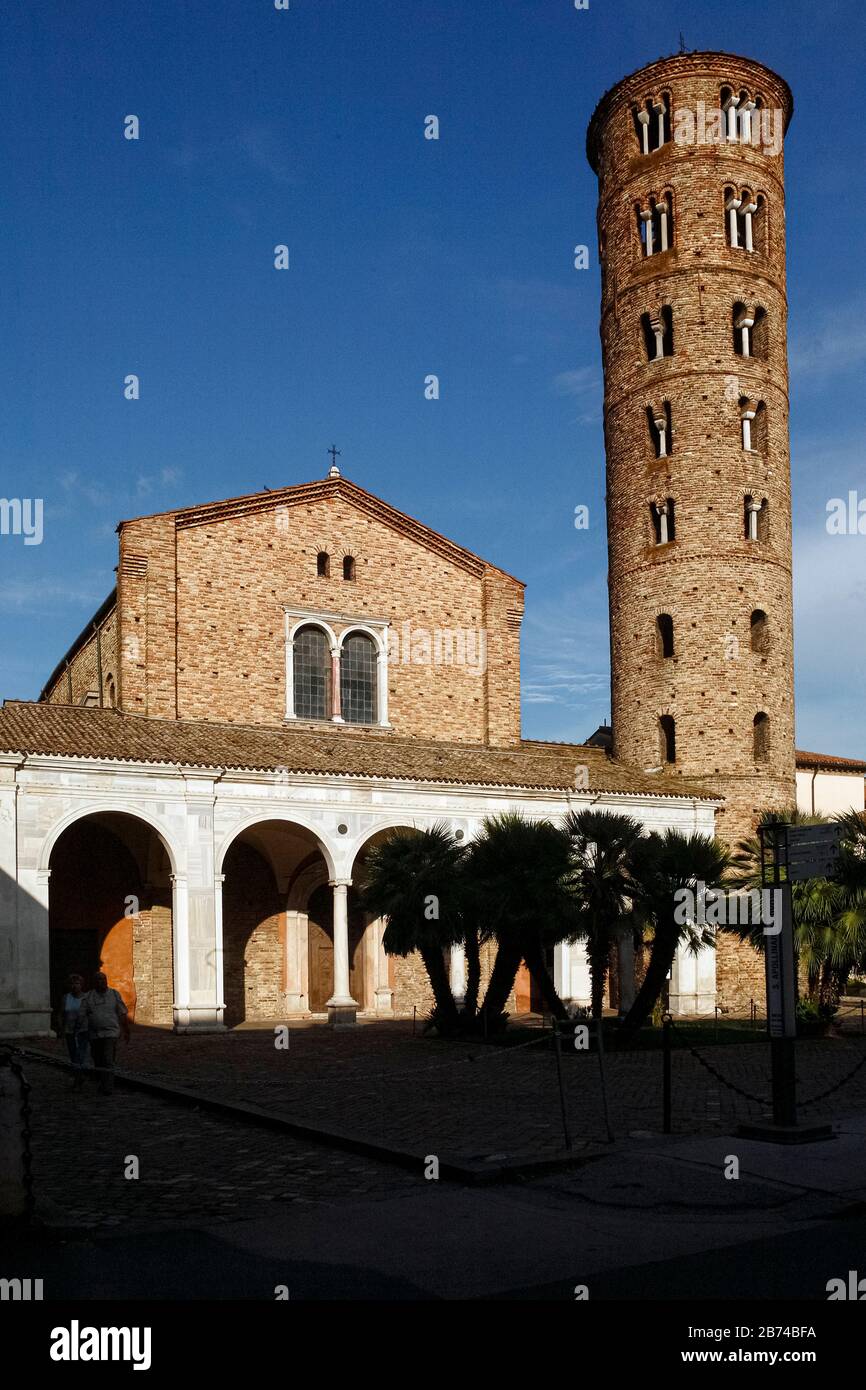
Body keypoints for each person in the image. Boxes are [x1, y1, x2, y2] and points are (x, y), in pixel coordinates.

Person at [81, 971, 130, 1095]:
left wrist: (126, 1030)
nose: (100, 982)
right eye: (97, 979)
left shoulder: (114, 994)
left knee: (108, 1059)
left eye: (103, 979)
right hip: (94, 1034)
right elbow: (82, 1015)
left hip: (111, 1032)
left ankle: (108, 1087)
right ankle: (101, 1082)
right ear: (93, 982)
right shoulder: (88, 997)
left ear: (106, 981)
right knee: (97, 1059)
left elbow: (122, 1013)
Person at [55, 973, 91, 1087]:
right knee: (73, 1055)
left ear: (81, 985)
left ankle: (77, 1079)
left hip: (83, 1031)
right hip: (69, 1031)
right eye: (72, 983)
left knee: (80, 1055)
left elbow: (90, 1014)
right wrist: (60, 1027)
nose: (74, 986)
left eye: (77, 983)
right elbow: (61, 1013)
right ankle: (79, 1077)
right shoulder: (66, 998)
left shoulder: (86, 998)